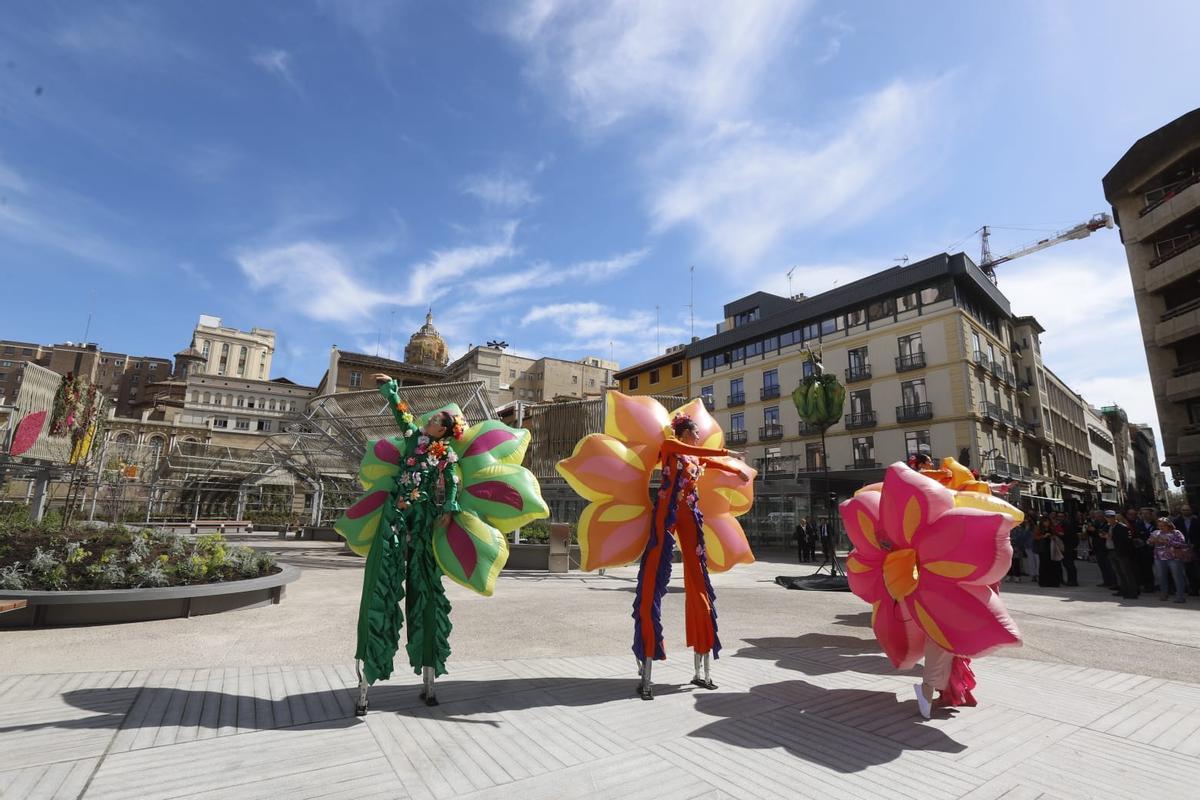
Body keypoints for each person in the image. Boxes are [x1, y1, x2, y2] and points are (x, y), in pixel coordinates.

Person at [336, 373, 547, 713]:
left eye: (438, 420)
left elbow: (450, 483)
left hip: (422, 519)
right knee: (378, 586)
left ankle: (429, 676)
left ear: (446, 432)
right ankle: (368, 675)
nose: (431, 420)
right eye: (433, 418)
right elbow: (402, 414)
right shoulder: (412, 439)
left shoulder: (445, 454)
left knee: (426, 587)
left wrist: (450, 506)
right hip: (394, 515)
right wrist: (391, 391)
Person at [632, 412, 752, 700]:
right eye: (696, 432)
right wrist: (728, 451)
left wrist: (736, 469)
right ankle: (647, 670)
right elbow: (696, 451)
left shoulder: (694, 458)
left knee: (698, 578)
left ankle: (702, 669)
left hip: (690, 515)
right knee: (653, 580)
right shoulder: (672, 445)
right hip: (667, 512)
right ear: (685, 432)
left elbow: (708, 460)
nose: (699, 436)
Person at [1149, 518, 1190, 603]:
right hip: (1159, 558)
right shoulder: (1156, 532)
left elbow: (1182, 543)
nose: (1161, 527)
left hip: (1174, 558)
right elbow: (1148, 542)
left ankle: (1180, 596)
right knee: (1161, 577)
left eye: (1163, 526)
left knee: (1177, 577)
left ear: (1168, 525)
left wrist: (1166, 541)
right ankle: (1164, 594)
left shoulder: (1176, 532)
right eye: (1159, 525)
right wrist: (1152, 541)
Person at [1107, 510, 1140, 600]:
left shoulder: (1122, 527)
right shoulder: (1110, 527)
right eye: (1108, 518)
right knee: (1120, 573)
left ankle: (1133, 592)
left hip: (1123, 553)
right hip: (1115, 552)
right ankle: (1124, 590)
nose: (1109, 519)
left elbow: (1126, 541)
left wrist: (1111, 537)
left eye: (1111, 517)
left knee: (1127, 573)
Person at [1173, 505, 1200, 597]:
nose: (1186, 512)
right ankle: (1193, 589)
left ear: (1191, 510)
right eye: (1184, 510)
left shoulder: (1196, 521)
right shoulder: (1177, 522)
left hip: (1196, 548)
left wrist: (1195, 544)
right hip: (1184, 549)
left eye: (1187, 510)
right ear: (1181, 511)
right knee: (1189, 569)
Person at [1086, 510, 1117, 589]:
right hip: (1097, 547)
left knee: (1109, 566)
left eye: (1099, 516)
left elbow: (1103, 533)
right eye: (1096, 517)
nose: (1097, 518)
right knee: (1102, 565)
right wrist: (1089, 530)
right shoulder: (1096, 523)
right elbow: (1092, 533)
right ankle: (1106, 581)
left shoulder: (1107, 524)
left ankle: (1113, 582)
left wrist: (1095, 531)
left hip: (1105, 547)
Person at [1130, 508, 1158, 593]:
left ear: (1151, 515)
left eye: (1147, 513)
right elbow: (1134, 537)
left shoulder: (1156, 524)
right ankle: (1148, 586)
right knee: (1146, 569)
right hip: (1143, 551)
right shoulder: (1137, 525)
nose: (1145, 515)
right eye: (1143, 514)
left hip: (1157, 550)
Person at [1034, 516, 1062, 588]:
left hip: (1051, 548)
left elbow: (1056, 535)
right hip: (1043, 549)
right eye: (1045, 522)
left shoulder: (1051, 528)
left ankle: (1053, 582)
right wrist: (1043, 536)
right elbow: (1035, 537)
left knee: (1053, 565)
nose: (1047, 523)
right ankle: (1044, 582)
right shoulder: (1039, 528)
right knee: (1043, 565)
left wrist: (1053, 536)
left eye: (1048, 521)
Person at [1055, 512, 1079, 586]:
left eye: (1061, 516)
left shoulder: (1067, 525)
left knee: (1069, 564)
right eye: (1058, 516)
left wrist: (1061, 535)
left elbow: (1070, 536)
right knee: (1067, 564)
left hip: (1068, 546)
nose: (1059, 518)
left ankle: (1073, 581)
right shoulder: (1062, 524)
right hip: (1065, 546)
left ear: (1065, 517)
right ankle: (1071, 580)